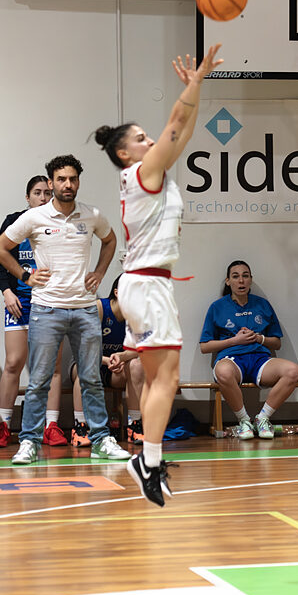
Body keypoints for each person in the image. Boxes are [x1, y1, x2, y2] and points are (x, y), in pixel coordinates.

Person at [95, 43, 223, 506]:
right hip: (147, 285)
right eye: (141, 138)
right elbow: (175, 123)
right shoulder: (142, 173)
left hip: (147, 284)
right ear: (124, 152)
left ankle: (148, 460)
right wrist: (194, 83)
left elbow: (182, 128)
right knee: (166, 380)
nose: (151, 141)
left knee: (156, 380)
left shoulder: (155, 172)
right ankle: (146, 461)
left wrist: (196, 90)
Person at [0, 154, 130, 466]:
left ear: (78, 182)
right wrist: (24, 276)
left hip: (85, 309)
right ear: (51, 182)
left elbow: (110, 241)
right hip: (46, 309)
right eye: (61, 179)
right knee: (39, 380)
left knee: (92, 378)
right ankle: (28, 442)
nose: (67, 184)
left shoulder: (92, 215)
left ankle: (101, 440)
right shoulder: (34, 217)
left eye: (72, 179)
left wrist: (100, 272)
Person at [0, 175, 68, 448]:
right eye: (37, 193)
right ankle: (3, 426)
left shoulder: (60, 223)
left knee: (52, 367)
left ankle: (51, 426)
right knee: (13, 363)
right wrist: (6, 291)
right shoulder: (14, 221)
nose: (43, 198)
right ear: (27, 197)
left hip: (50, 302)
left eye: (47, 193)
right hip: (19, 303)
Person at [199, 260, 298, 440]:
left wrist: (259, 338)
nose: (241, 281)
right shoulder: (217, 307)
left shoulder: (262, 305)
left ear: (250, 280)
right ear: (228, 281)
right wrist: (234, 340)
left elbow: (276, 343)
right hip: (231, 360)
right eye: (235, 276)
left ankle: (262, 419)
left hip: (260, 360)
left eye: (245, 276)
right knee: (223, 372)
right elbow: (205, 346)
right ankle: (244, 421)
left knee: (292, 371)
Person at [69, 274, 145, 447]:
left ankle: (135, 425)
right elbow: (82, 348)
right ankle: (79, 428)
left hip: (116, 370)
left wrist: (122, 357)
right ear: (117, 292)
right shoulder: (99, 308)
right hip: (89, 362)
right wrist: (105, 360)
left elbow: (141, 349)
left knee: (137, 364)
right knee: (85, 368)